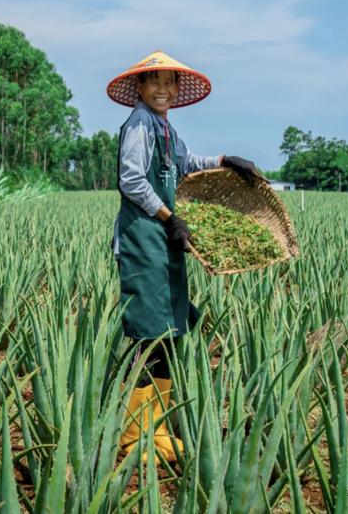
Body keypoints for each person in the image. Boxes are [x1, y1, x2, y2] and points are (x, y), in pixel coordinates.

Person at [106, 50, 258, 460]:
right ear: (140, 87)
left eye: (169, 82)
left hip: (167, 242)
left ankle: (153, 429)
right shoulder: (139, 123)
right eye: (154, 81)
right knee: (150, 334)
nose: (163, 89)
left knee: (170, 332)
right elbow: (131, 180)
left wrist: (226, 161)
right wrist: (170, 217)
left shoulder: (166, 129)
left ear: (176, 89)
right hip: (144, 240)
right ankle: (134, 435)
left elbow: (186, 165)